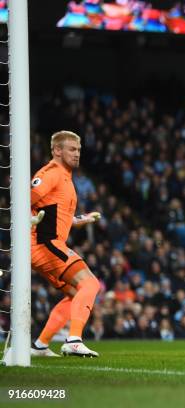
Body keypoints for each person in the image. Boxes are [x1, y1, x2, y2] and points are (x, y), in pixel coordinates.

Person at [30, 131, 102, 358]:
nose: (77, 154)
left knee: (75, 295)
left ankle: (40, 346)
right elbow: (24, 198)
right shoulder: (51, 173)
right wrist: (27, 219)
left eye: (79, 150)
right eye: (72, 149)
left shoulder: (64, 177)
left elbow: (57, 214)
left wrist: (82, 219)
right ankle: (73, 340)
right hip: (45, 243)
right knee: (90, 284)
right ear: (57, 150)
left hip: (45, 244)